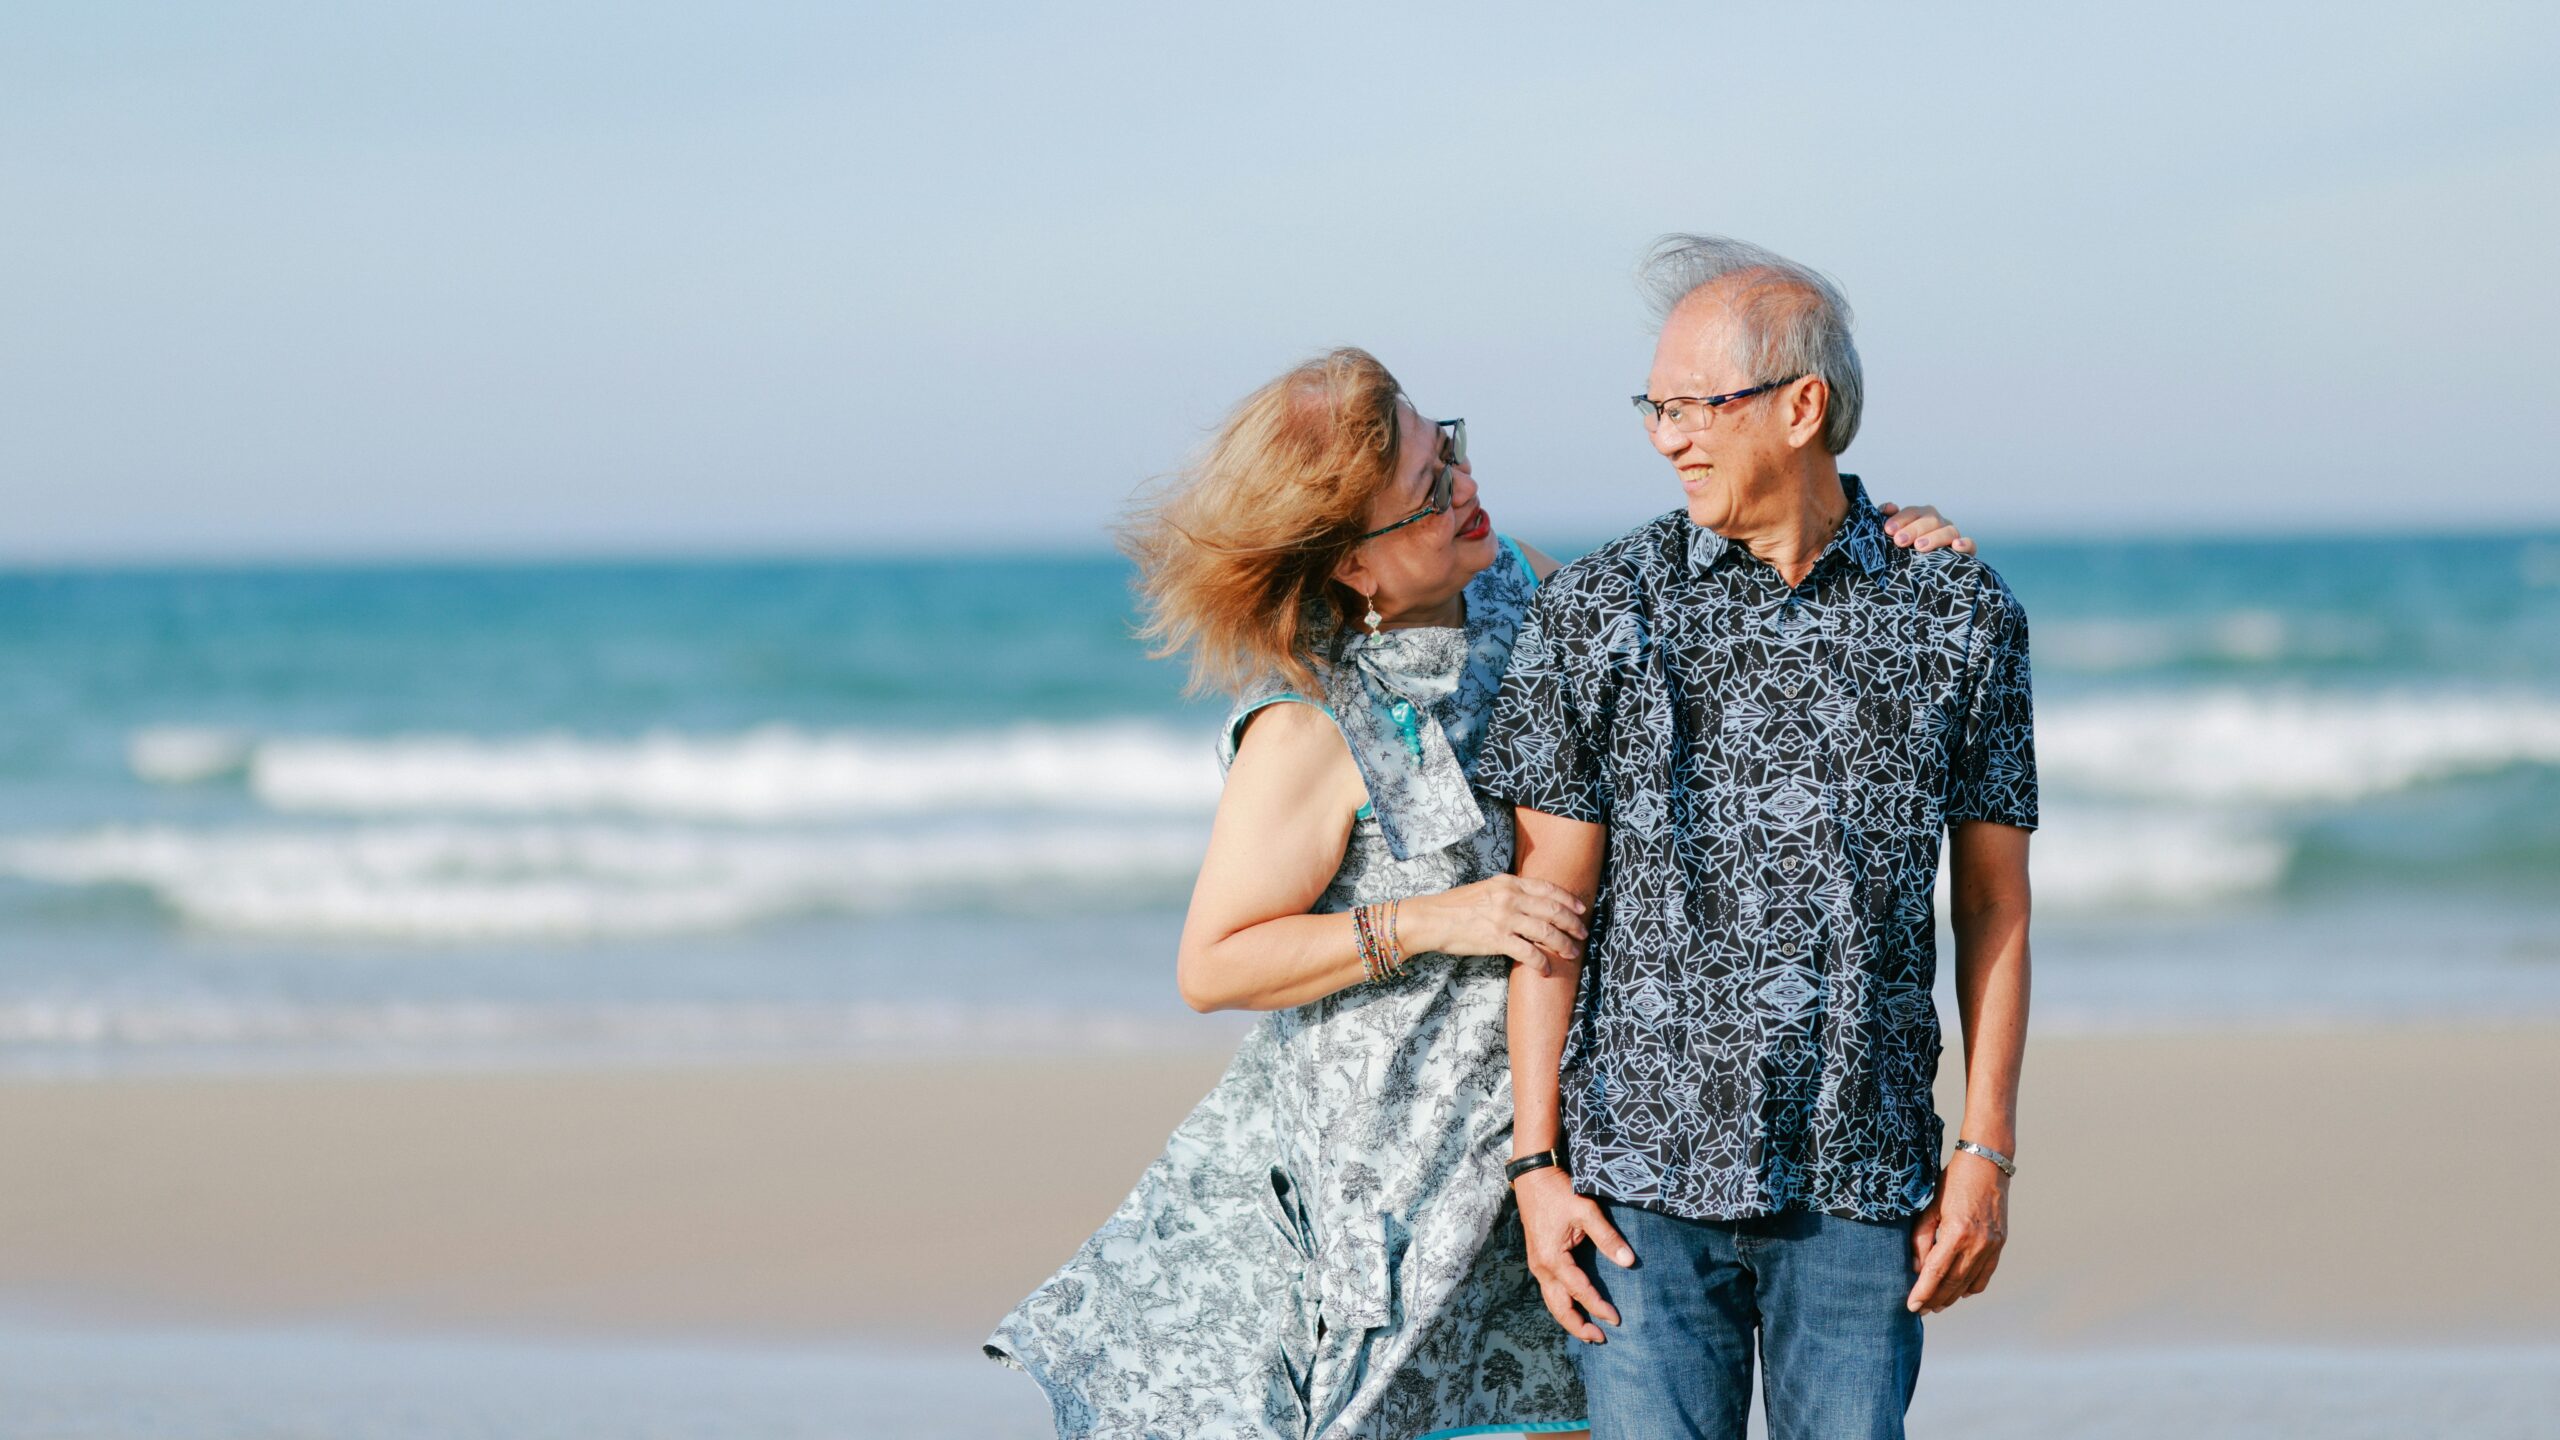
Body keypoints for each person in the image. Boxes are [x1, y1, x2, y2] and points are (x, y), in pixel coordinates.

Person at [985, 346, 1974, 1439]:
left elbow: (1701, 608)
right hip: (1402, 1179)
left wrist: (1862, 541)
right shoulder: (1312, 724)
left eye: (1444, 449)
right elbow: (1212, 964)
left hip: (1572, 1143)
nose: (1464, 488)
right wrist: (1430, 921)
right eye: (1425, 492)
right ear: (1351, 566)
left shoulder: (1516, 584)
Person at [1480, 235, 2037, 1440]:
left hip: (1861, 1176)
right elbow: (1547, 910)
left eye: (1694, 406)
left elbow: (1992, 904)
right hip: (1635, 1185)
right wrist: (1537, 1170)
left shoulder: (1960, 612)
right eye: (1654, 407)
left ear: (1801, 406)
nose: (1665, 434)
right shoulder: (1599, 608)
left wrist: (1985, 1151)